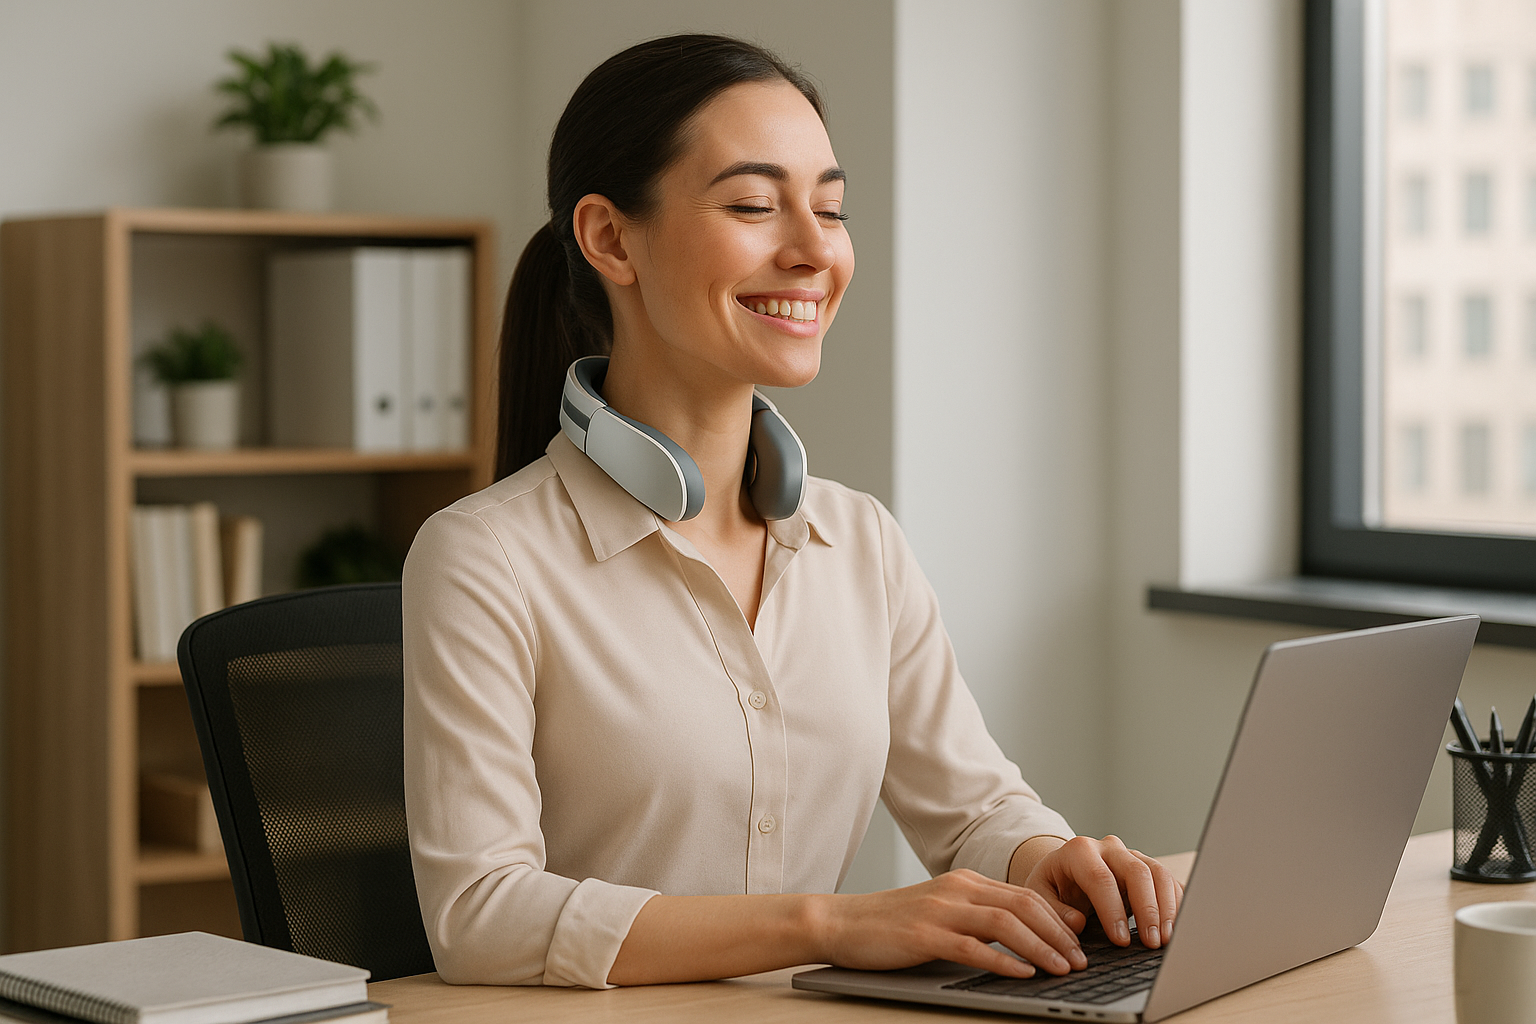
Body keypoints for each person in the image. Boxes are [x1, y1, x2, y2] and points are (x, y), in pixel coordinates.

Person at [402, 33, 1181, 990]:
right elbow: (481, 914)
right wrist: (831, 924)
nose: (815, 251)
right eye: (753, 205)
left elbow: (973, 812)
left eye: (831, 208)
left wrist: (1043, 858)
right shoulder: (485, 556)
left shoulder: (859, 541)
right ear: (609, 238)